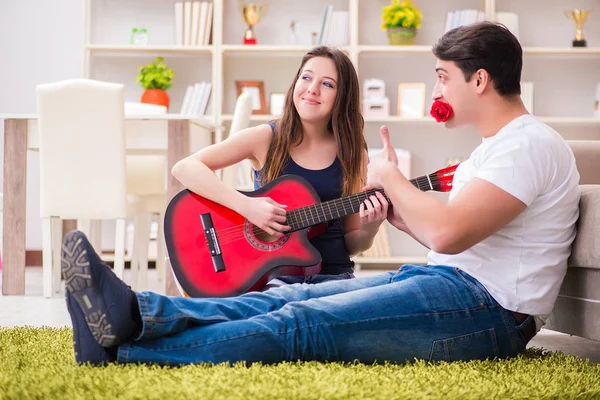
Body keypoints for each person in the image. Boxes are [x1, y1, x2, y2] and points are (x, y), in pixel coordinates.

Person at [63, 22, 580, 366]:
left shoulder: (527, 146)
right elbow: (452, 231)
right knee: (290, 297)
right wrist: (399, 218)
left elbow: (447, 231)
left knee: (302, 324)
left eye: (443, 78)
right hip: (446, 282)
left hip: (484, 312)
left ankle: (120, 352)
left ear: (481, 80)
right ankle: (133, 311)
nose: (438, 92)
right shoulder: (495, 150)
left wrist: (392, 180)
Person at [171, 46, 386, 285]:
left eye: (328, 84)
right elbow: (185, 167)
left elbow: (351, 243)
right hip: (275, 279)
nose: (312, 89)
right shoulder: (266, 138)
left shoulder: (354, 153)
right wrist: (247, 206)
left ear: (342, 96)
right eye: (306, 77)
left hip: (333, 278)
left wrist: (369, 230)